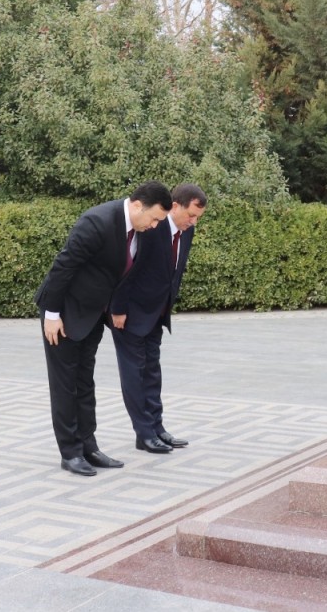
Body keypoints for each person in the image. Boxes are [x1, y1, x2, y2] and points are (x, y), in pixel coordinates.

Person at [35, 181, 173, 476]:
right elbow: (64, 266)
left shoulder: (140, 231)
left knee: (85, 382)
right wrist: (51, 314)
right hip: (65, 314)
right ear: (138, 205)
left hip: (94, 315)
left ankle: (89, 446)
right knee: (64, 384)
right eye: (154, 219)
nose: (155, 226)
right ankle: (70, 452)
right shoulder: (97, 221)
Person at [108, 183, 207, 454]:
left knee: (152, 371)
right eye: (191, 215)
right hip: (129, 313)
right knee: (134, 373)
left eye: (198, 217)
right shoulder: (151, 226)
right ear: (176, 206)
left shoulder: (187, 231)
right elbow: (126, 266)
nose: (193, 222)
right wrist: (117, 308)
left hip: (156, 313)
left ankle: (157, 427)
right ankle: (144, 433)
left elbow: (173, 272)